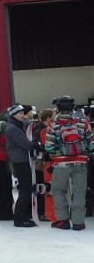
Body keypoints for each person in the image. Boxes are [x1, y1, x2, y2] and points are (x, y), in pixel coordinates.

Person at [43, 95, 93, 230]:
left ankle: (63, 220)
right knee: (79, 192)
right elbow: (91, 143)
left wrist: (56, 156)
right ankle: (78, 222)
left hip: (61, 164)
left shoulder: (53, 124)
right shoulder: (82, 122)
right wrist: (85, 155)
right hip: (80, 162)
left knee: (59, 191)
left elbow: (49, 147)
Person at [4, 104, 38, 227]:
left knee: (26, 188)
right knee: (25, 189)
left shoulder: (17, 125)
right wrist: (35, 144)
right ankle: (19, 218)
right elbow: (25, 144)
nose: (23, 115)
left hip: (22, 160)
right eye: (20, 113)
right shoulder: (12, 128)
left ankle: (24, 216)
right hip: (20, 161)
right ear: (13, 115)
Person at [30, 107, 54, 222]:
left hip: (39, 162)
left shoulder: (36, 127)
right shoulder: (43, 130)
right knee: (42, 186)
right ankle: (42, 212)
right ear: (49, 117)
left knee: (41, 185)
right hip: (42, 162)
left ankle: (41, 211)